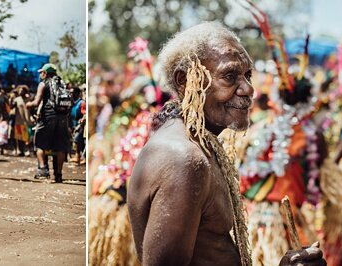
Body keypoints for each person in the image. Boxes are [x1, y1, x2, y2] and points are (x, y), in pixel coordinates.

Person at [127, 22, 323, 265]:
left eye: (247, 75)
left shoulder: (199, 145)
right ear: (185, 81)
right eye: (230, 76)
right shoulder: (184, 159)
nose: (248, 89)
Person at [26, 64, 74, 182]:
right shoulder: (62, 84)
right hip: (63, 118)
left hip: (47, 117)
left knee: (40, 143)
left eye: (41, 72)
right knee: (60, 146)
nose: (40, 75)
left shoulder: (43, 84)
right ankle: (58, 175)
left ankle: (43, 170)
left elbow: (37, 102)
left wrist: (28, 104)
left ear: (46, 73)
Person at [12, 85, 33, 156]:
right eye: (20, 91)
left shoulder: (29, 99)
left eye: (22, 91)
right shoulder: (16, 100)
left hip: (27, 121)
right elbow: (11, 106)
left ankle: (27, 150)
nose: (21, 92)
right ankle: (20, 150)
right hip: (19, 121)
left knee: (27, 137)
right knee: (19, 137)